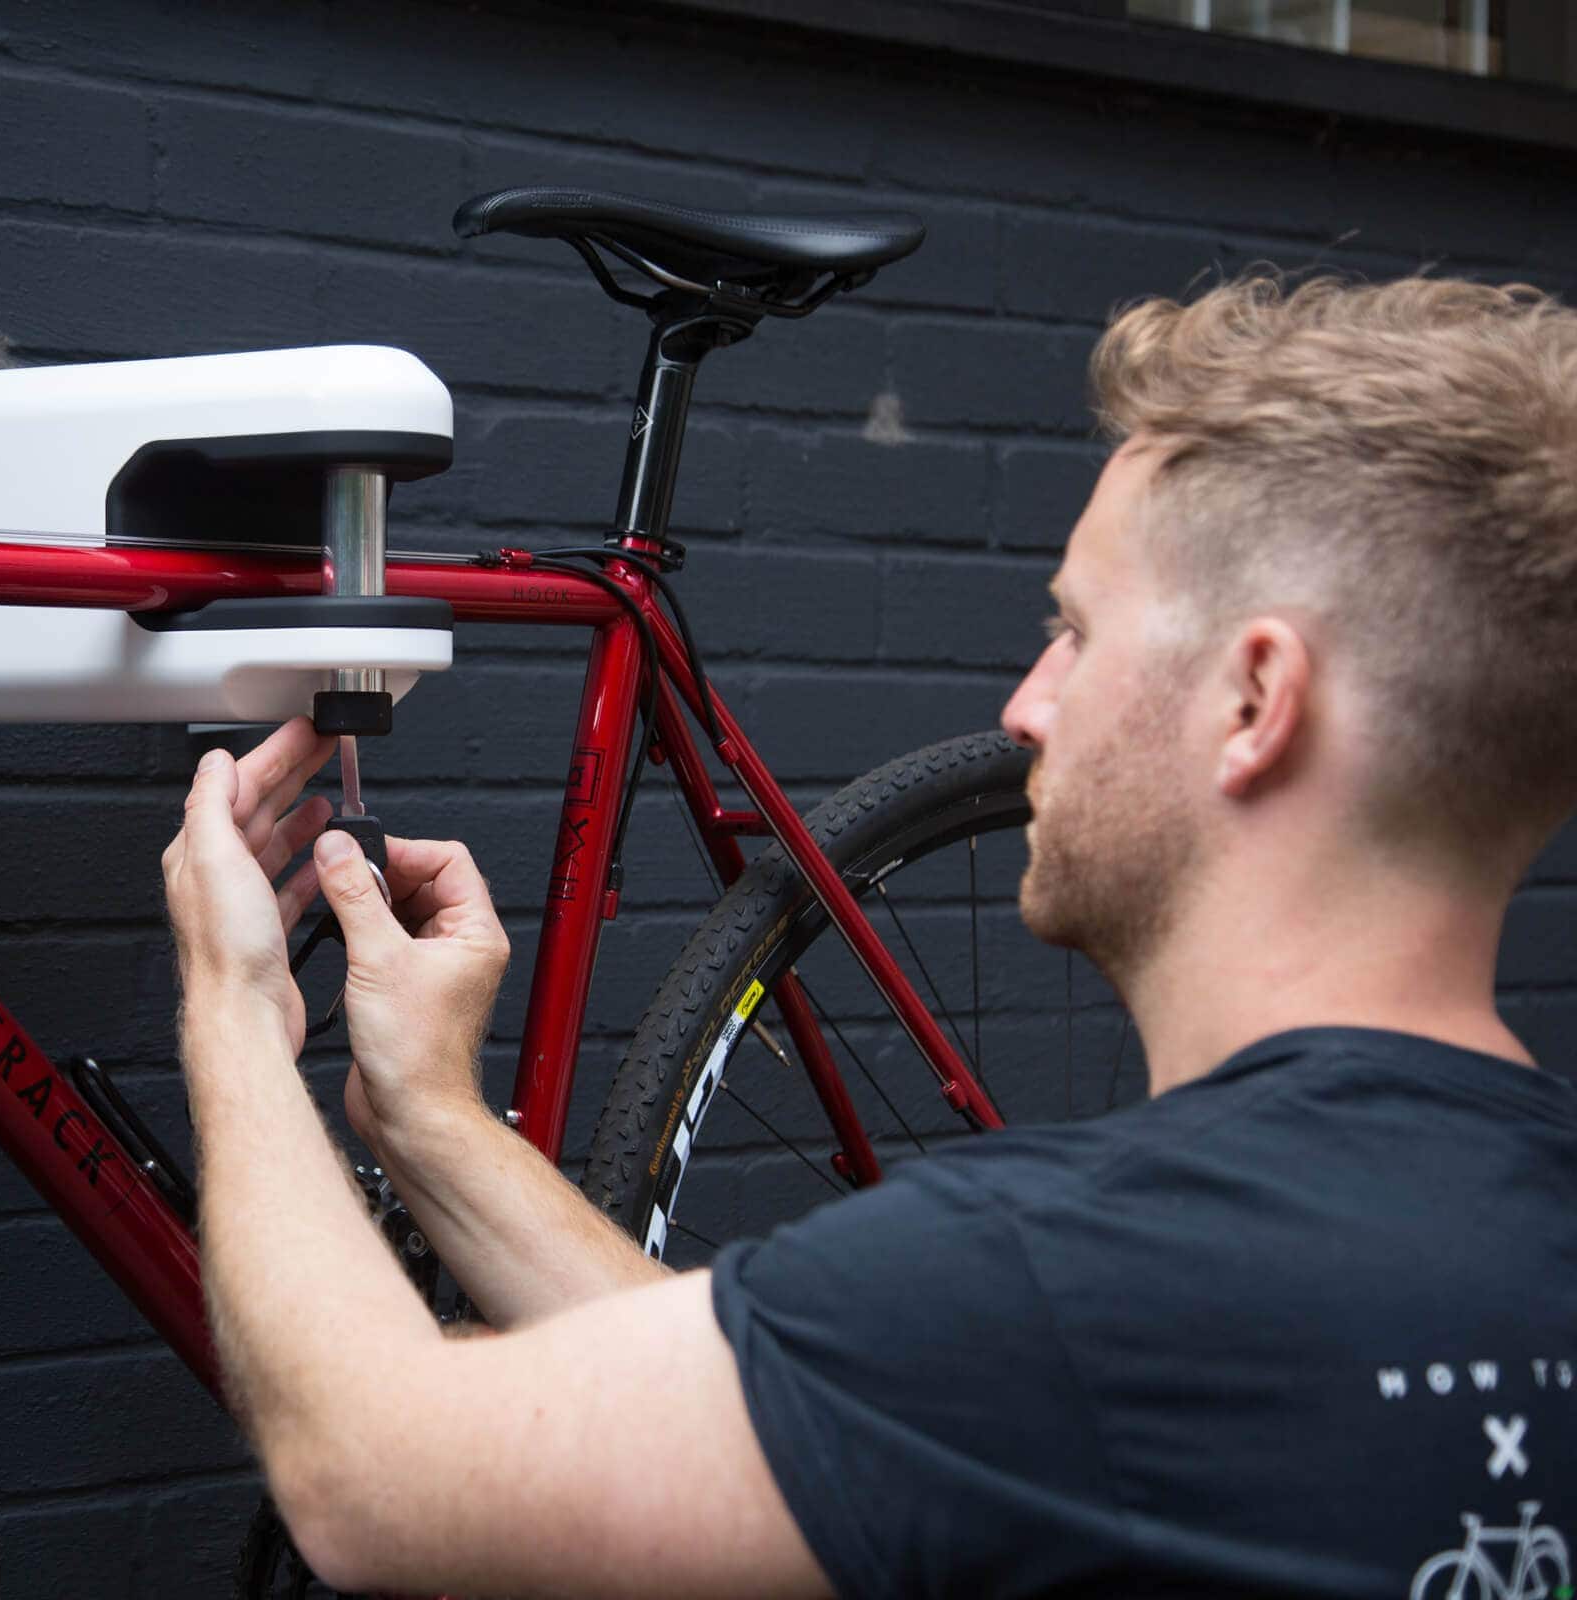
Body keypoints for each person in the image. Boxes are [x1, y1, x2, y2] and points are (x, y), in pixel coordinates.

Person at [159, 273, 1577, 1598]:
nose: (1030, 705)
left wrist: (232, 1004)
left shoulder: (1073, 1286)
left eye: (1076, 631)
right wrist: (430, 1118)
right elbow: (835, 1418)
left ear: (1256, 699)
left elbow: (366, 1472)